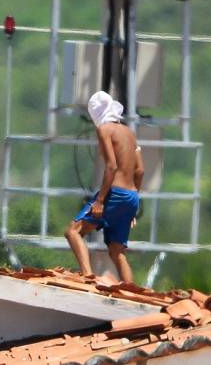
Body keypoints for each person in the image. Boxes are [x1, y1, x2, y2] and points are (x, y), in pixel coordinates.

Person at [64, 91, 144, 282]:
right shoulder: (129, 133)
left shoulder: (104, 130)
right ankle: (130, 291)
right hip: (131, 196)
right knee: (117, 251)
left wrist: (100, 201)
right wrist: (131, 207)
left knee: (73, 232)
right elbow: (140, 171)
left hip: (114, 194)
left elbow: (111, 166)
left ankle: (87, 276)